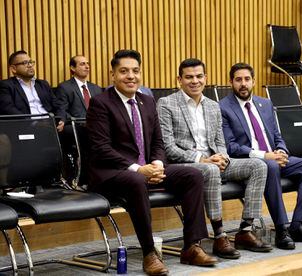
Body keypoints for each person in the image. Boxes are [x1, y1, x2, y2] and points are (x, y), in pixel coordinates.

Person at [86, 50, 217, 276]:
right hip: (111, 173)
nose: (131, 76)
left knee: (193, 175)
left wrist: (157, 164)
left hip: (145, 169)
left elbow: (158, 141)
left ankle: (192, 247)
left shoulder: (147, 101)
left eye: (135, 71)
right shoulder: (100, 103)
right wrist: (140, 169)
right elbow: (101, 148)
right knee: (137, 180)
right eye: (124, 71)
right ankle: (149, 252)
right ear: (113, 75)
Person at [157, 58, 272, 259]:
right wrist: (202, 159)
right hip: (186, 164)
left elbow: (220, 141)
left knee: (258, 166)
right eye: (189, 77)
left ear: (205, 78)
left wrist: (223, 158)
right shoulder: (166, 104)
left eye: (199, 76)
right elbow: (169, 147)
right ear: (179, 80)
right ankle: (219, 235)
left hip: (214, 162)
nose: (195, 81)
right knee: (210, 170)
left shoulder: (212, 106)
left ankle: (245, 230)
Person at [220, 62, 302, 250]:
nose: (243, 84)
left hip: (274, 157)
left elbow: (277, 135)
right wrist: (265, 156)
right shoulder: (223, 107)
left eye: (247, 79)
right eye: (238, 80)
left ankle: (298, 226)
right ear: (231, 82)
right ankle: (281, 229)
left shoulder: (265, 103)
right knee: (268, 166)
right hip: (250, 162)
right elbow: (231, 147)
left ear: (254, 81)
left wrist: (282, 151)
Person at [0, 50, 65, 131]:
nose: (30, 65)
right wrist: (33, 123)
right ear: (13, 69)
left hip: (50, 123)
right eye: (25, 63)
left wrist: (61, 119)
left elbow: (58, 105)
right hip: (26, 126)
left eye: (31, 62)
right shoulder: (6, 85)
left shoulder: (43, 84)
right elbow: (9, 110)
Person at [56, 55, 102, 120]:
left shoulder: (96, 89)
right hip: (78, 125)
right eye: (82, 64)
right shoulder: (64, 87)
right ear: (73, 68)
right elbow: (62, 111)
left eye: (87, 64)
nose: (87, 67)